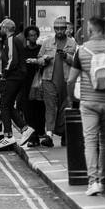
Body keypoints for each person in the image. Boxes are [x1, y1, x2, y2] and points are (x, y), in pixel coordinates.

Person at [70, 16, 105, 198]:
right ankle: (103, 179)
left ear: (91, 30)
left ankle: (92, 182)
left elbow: (71, 79)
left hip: (88, 102)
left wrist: (73, 98)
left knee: (90, 141)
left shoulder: (82, 51)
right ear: (104, 29)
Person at [37, 17, 75, 147]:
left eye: (62, 29)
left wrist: (66, 56)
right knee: (50, 107)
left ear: (66, 29)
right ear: (54, 29)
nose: (59, 31)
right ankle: (49, 136)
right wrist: (44, 60)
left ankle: (65, 134)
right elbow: (39, 59)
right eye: (57, 28)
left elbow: (76, 61)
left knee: (65, 108)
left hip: (67, 80)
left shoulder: (72, 43)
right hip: (49, 79)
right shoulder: (47, 42)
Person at [0, 18, 31, 148]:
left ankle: (8, 135)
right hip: (17, 77)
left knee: (3, 104)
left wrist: (4, 74)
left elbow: (12, 60)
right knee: (8, 105)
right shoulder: (15, 40)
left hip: (13, 77)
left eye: (1, 27)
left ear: (6, 28)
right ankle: (25, 129)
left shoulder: (10, 40)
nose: (0, 29)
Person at [20, 26, 46, 148]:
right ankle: (33, 137)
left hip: (39, 84)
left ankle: (40, 133)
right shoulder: (23, 50)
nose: (33, 37)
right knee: (29, 111)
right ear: (27, 37)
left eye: (35, 35)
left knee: (39, 110)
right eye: (30, 35)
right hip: (26, 84)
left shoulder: (41, 49)